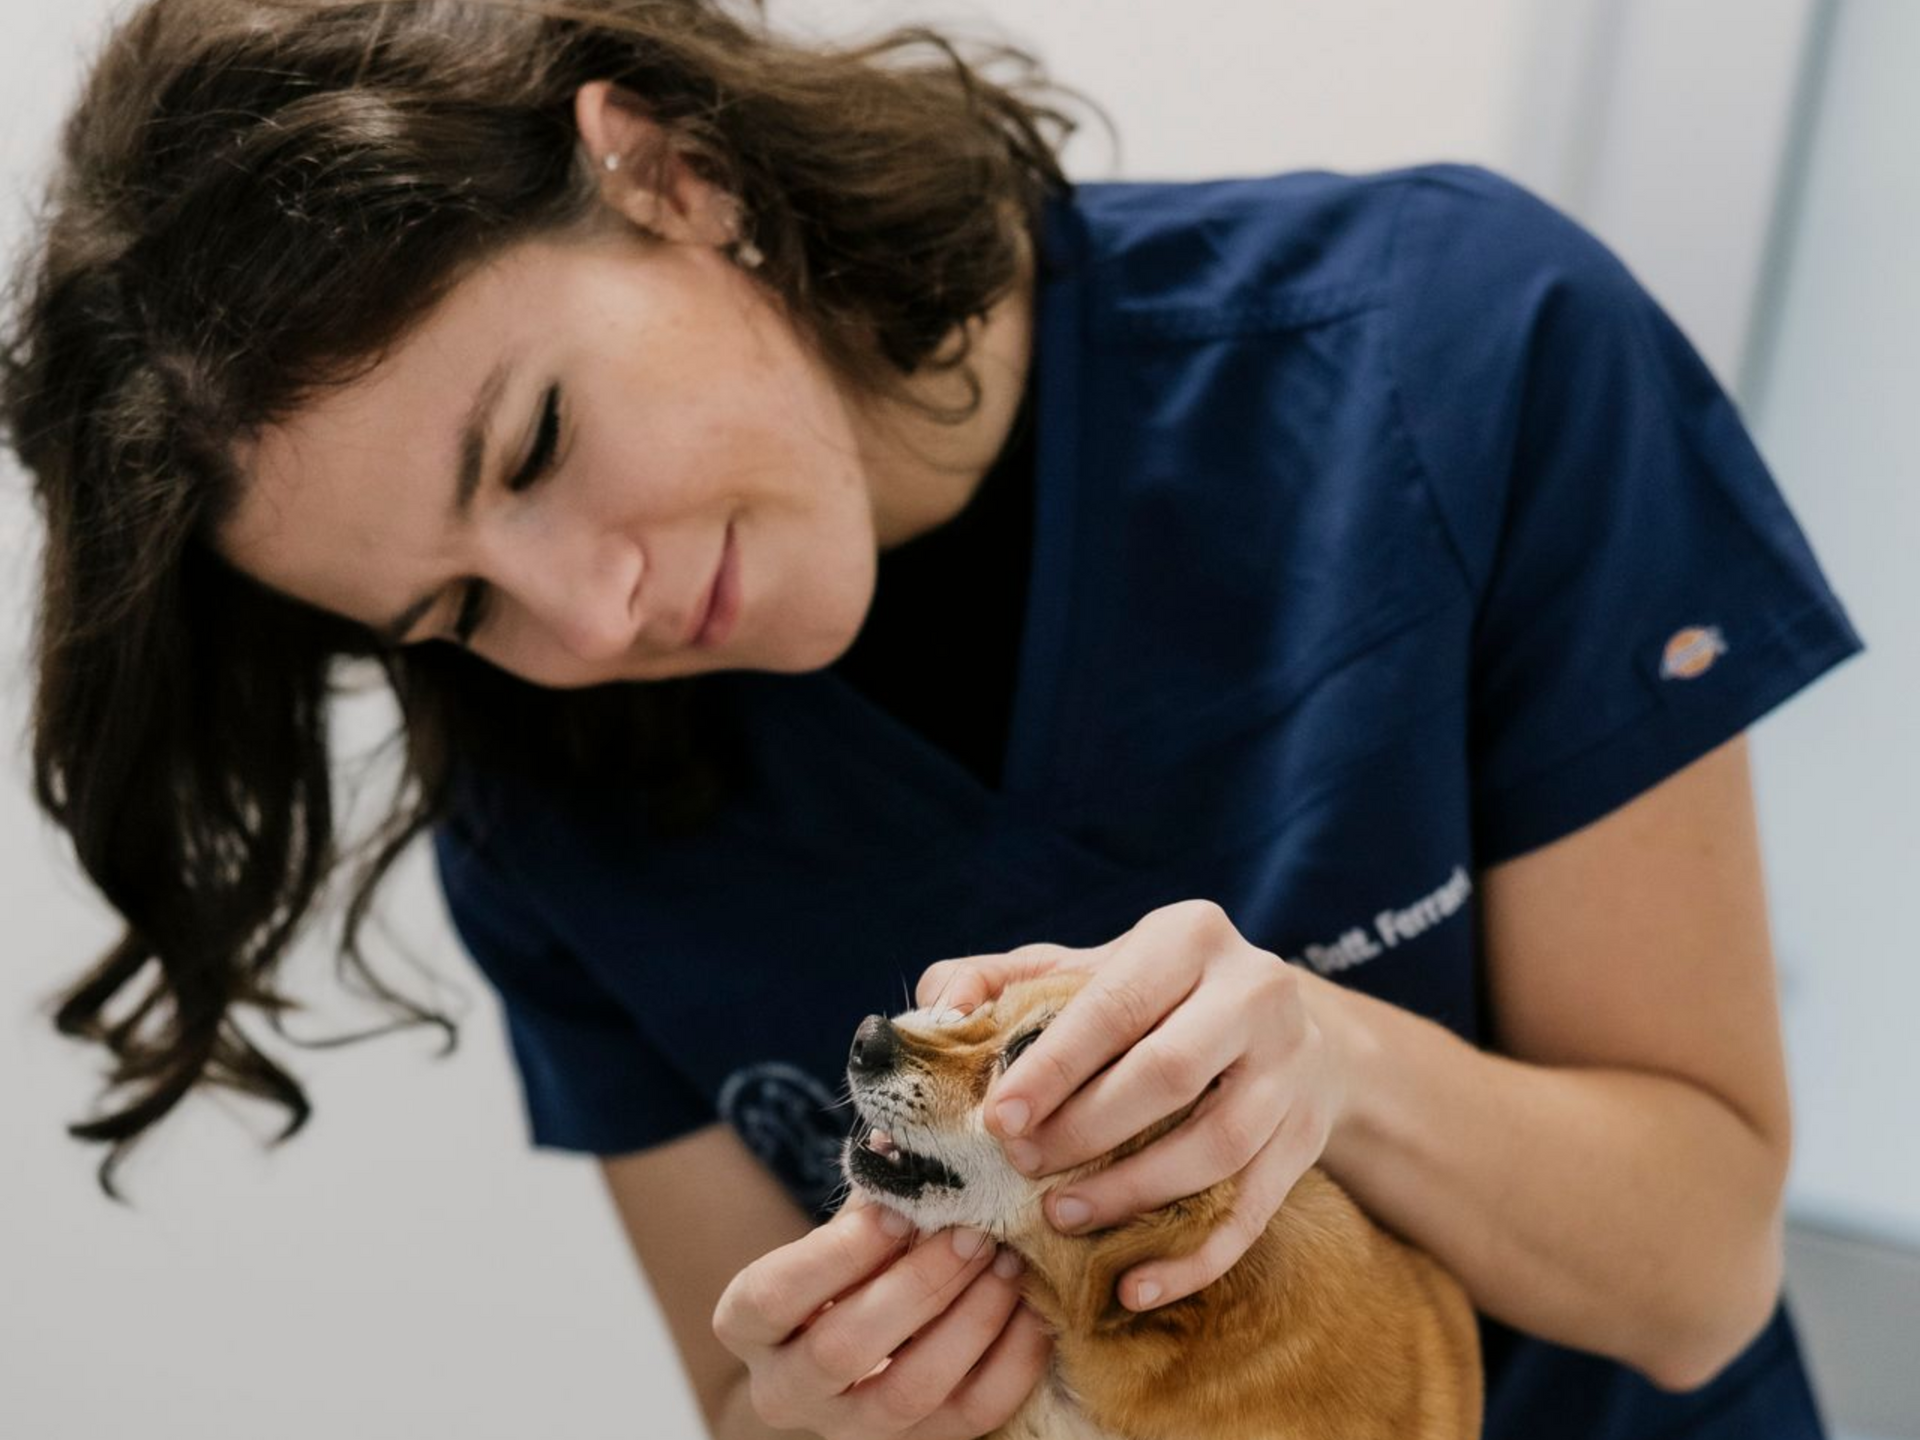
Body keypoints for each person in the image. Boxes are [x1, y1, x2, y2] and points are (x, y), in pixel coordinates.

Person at [0, 1, 1867, 1438]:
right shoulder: (546, 794)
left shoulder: (1456, 352)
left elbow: (1699, 1273)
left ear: (670, 175)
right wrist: (823, 1412)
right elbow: (750, 1403)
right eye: (458, 611)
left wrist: (1330, 1064)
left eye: (541, 443)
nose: (587, 617)